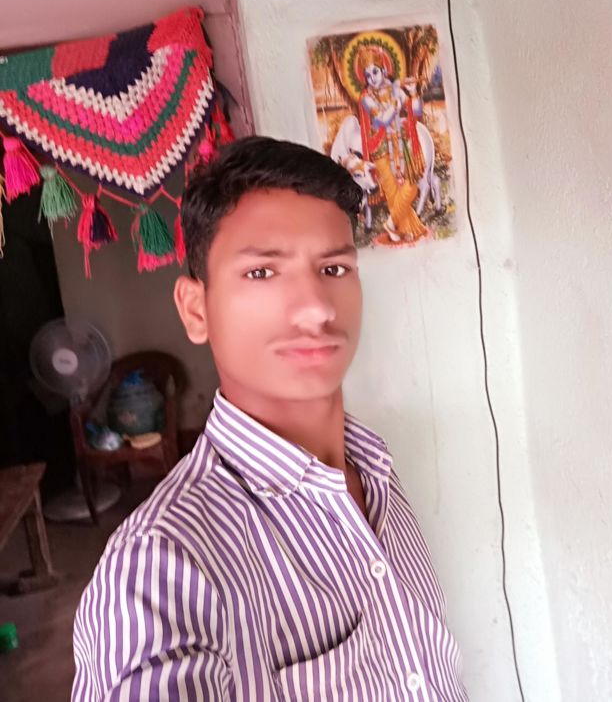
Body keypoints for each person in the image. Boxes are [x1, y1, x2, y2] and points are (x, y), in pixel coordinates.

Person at [72, 136, 467, 701]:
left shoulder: (374, 471)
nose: (316, 307)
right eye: (262, 273)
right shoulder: (160, 570)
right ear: (195, 309)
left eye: (334, 267)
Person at [356, 45, 428, 244]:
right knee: (393, 192)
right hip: (380, 149)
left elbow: (416, 111)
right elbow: (382, 119)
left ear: (384, 69)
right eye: (368, 75)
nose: (372, 78)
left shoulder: (395, 88)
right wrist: (397, 100)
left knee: (412, 186)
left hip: (401, 146)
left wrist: (413, 93)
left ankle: (390, 223)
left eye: (375, 72)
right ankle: (405, 230)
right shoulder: (366, 98)